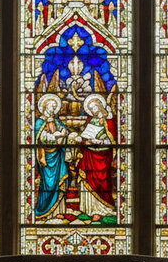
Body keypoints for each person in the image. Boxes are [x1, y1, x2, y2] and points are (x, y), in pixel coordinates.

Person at [77, 93, 116, 222]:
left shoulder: (109, 121)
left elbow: (113, 140)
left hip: (103, 155)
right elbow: (85, 137)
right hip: (89, 154)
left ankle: (103, 209)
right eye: (91, 109)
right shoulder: (90, 121)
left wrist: (101, 142)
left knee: (102, 181)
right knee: (87, 179)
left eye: (95, 108)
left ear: (100, 106)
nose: (93, 111)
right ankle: (89, 209)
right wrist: (86, 142)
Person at [34, 93, 70, 222]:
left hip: (58, 155)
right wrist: (55, 136)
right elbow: (40, 138)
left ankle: (59, 211)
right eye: (51, 106)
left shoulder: (56, 121)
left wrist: (64, 133)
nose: (53, 109)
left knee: (60, 180)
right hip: (47, 157)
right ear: (44, 107)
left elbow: (65, 130)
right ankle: (45, 209)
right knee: (48, 184)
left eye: (55, 106)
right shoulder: (39, 122)